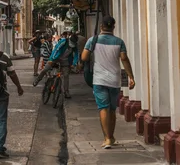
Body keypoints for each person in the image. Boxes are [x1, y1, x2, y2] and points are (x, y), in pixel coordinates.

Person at [81, 15, 135, 149]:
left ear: (101, 27)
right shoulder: (119, 41)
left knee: (103, 108)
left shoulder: (93, 40)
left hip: (99, 79)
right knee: (111, 109)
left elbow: (84, 57)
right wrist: (131, 77)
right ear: (114, 27)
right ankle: (111, 136)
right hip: (114, 79)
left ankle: (107, 138)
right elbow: (124, 59)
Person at [33, 33, 79, 98]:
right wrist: (52, 59)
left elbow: (76, 55)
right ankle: (38, 79)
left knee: (66, 75)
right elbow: (56, 50)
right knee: (46, 69)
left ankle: (66, 92)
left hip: (65, 61)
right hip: (55, 57)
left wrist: (74, 64)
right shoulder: (63, 41)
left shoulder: (74, 46)